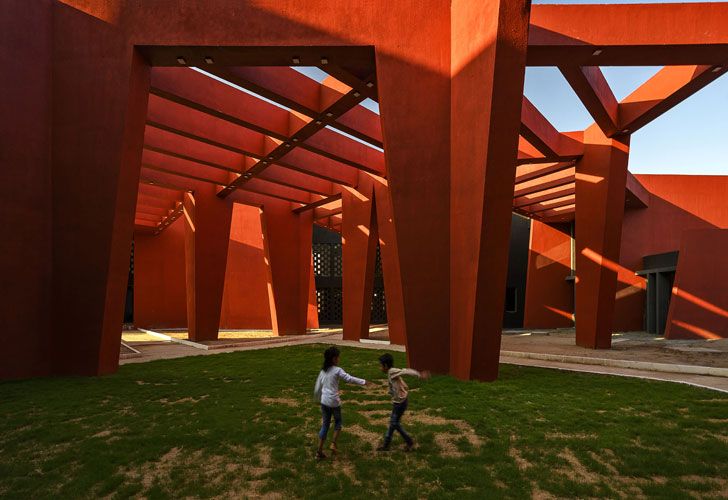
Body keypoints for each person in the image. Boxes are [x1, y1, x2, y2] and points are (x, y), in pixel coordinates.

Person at [313, 346, 367, 460]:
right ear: (333, 359)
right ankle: (333, 443)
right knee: (338, 423)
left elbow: (318, 386)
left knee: (325, 425)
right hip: (334, 402)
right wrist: (364, 382)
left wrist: (317, 398)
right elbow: (349, 379)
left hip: (324, 402)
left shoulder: (323, 371)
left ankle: (319, 452)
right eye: (338, 357)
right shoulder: (338, 370)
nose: (339, 359)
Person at [376, 353, 429, 452]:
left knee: (394, 423)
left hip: (400, 403)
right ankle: (386, 444)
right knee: (393, 424)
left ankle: (409, 442)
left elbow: (405, 371)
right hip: (398, 402)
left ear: (386, 366)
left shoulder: (392, 371)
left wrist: (419, 375)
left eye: (380, 365)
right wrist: (391, 391)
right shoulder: (390, 373)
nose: (380, 368)